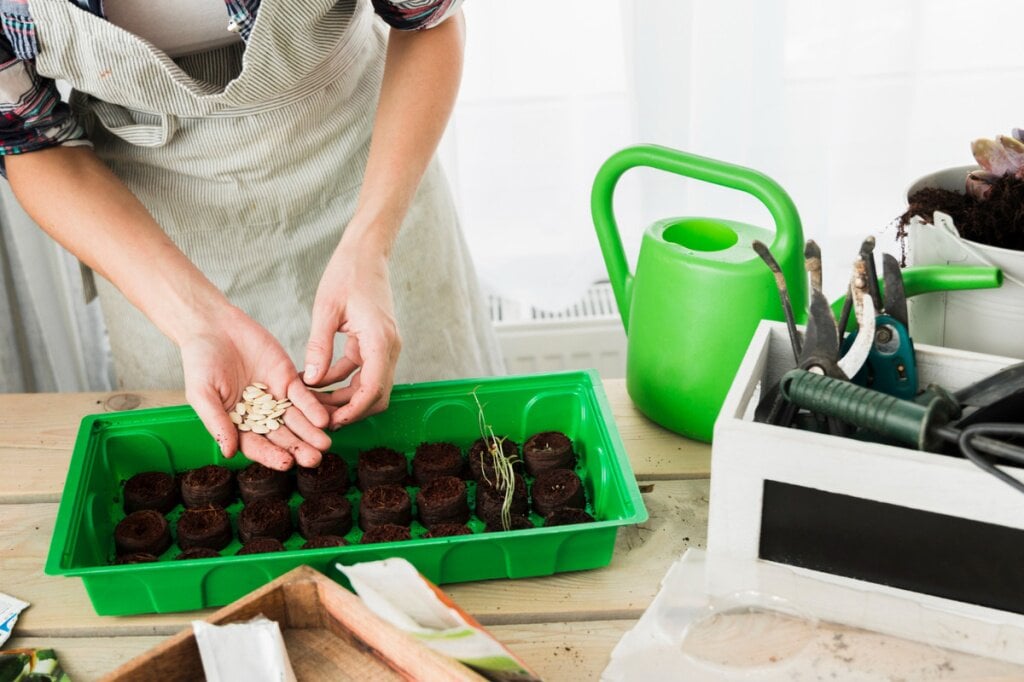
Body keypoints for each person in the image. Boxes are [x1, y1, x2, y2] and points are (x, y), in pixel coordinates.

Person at [0, 0, 504, 470]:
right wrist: (198, 322)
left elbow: (427, 20)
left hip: (366, 161)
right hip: (150, 237)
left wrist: (371, 241)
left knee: (453, 453)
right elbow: (31, 142)